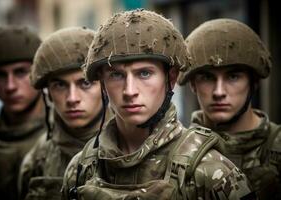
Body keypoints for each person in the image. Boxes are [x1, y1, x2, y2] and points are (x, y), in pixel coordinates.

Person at [61, 10, 255, 200]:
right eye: (116, 75)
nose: (129, 91)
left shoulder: (210, 172)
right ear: (102, 84)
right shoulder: (81, 169)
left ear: (170, 79)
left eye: (144, 73)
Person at [178, 18, 281, 199]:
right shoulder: (176, 152)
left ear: (253, 82)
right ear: (193, 84)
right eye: (207, 77)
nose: (219, 92)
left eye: (233, 77)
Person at [18, 27, 112, 200]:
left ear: (105, 88)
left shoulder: (133, 148)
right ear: (49, 94)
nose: (72, 98)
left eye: (84, 83)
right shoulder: (38, 159)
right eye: (60, 85)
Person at [0, 25, 46, 200]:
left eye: (21, 72)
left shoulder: (68, 134)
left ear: (39, 75)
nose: (10, 86)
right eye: (1, 75)